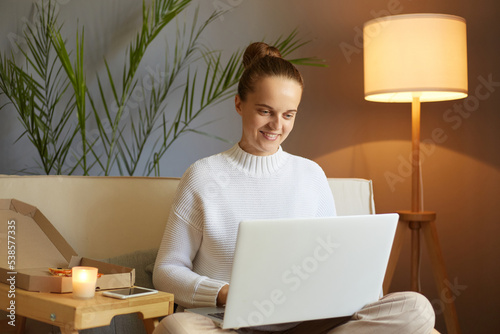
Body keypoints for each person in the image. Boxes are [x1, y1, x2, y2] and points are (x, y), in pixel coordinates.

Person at [152, 42, 435, 334]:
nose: (277, 125)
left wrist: (356, 290)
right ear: (239, 104)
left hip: (308, 323)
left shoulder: (310, 175)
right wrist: (226, 293)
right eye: (265, 111)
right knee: (177, 329)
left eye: (289, 114)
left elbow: (333, 260)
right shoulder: (204, 175)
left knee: (417, 310)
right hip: (229, 324)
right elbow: (166, 271)